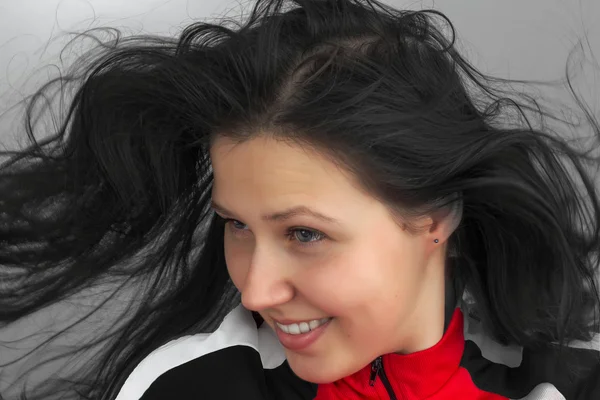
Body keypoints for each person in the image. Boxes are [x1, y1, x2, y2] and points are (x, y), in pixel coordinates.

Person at [1, 0, 599, 399]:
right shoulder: (184, 389)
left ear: (435, 214)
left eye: (304, 234)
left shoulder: (572, 384)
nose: (256, 291)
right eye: (236, 225)